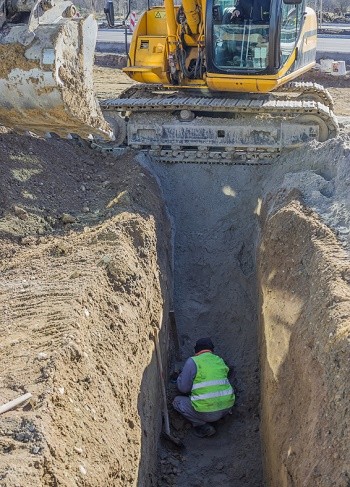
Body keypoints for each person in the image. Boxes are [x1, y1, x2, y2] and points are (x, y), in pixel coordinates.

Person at [172, 337, 235, 438]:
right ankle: (220, 419)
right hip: (227, 408)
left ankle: (202, 426)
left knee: (177, 402)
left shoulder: (192, 361)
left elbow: (183, 389)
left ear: (196, 351)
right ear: (211, 350)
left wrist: (180, 377)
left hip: (206, 412)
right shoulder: (219, 360)